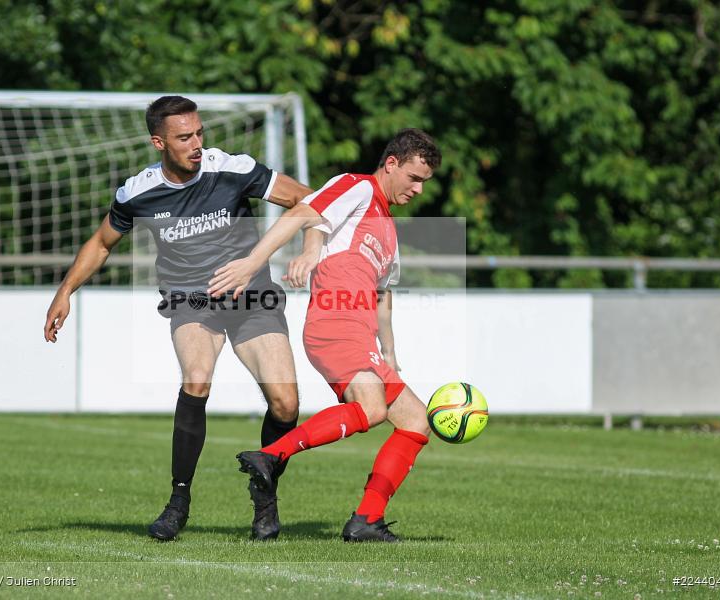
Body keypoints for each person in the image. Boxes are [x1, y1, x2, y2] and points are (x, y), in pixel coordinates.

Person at [43, 96, 314, 541]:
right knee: (197, 379)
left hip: (252, 295)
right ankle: (178, 500)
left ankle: (266, 498)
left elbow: (308, 200)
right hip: (192, 300)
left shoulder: (231, 168)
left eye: (200, 133)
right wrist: (65, 290)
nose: (197, 144)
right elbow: (101, 243)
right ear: (159, 142)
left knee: (286, 405)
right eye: (184, 137)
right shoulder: (138, 192)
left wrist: (308, 248)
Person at [207, 128, 442, 542]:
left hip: (359, 336)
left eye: (425, 182)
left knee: (415, 421)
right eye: (414, 178)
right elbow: (305, 213)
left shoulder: (388, 230)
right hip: (335, 325)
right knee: (370, 409)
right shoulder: (356, 186)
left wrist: (389, 352)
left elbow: (382, 295)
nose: (419, 190)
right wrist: (258, 261)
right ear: (391, 164)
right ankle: (269, 455)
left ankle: (366, 520)